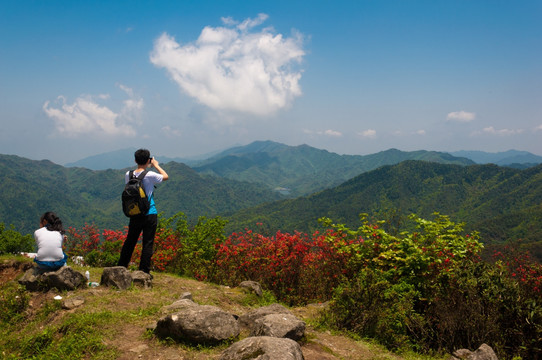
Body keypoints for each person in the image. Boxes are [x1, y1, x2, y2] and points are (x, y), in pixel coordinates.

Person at [117, 149, 169, 275]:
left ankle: (121, 267)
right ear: (148, 160)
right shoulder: (149, 175)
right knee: (147, 243)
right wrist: (155, 165)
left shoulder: (128, 174)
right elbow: (165, 176)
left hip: (134, 213)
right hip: (149, 213)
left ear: (135, 160)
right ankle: (144, 271)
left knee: (130, 241)